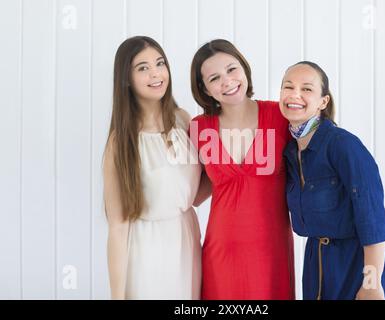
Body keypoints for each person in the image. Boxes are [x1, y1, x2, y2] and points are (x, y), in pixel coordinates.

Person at [189, 39, 295, 299]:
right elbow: (193, 195)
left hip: (272, 254)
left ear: (244, 69)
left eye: (231, 69)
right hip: (221, 255)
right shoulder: (198, 127)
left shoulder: (281, 116)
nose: (227, 81)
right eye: (214, 78)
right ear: (205, 89)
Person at [280, 61, 385, 300]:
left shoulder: (343, 145)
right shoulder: (289, 152)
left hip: (355, 263)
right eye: (288, 87)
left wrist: (372, 283)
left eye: (307, 89)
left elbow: (372, 218)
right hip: (315, 264)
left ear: (323, 101)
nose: (294, 94)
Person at [103, 36, 202, 299]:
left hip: (186, 239)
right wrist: (117, 295)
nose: (156, 73)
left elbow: (198, 191)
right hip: (146, 249)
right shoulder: (121, 142)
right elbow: (118, 225)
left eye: (159, 63)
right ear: (126, 79)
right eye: (142, 68)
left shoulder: (183, 120)